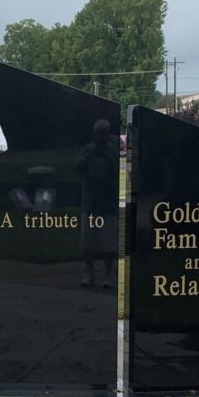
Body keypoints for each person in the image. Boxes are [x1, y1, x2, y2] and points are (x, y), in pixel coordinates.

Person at [76, 119, 119, 288]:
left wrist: (106, 154)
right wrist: (91, 155)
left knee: (109, 244)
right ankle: (89, 272)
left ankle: (107, 275)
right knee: (88, 243)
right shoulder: (88, 150)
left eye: (103, 132)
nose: (100, 135)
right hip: (90, 205)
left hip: (108, 206)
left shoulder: (114, 150)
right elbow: (78, 169)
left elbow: (118, 170)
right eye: (97, 132)